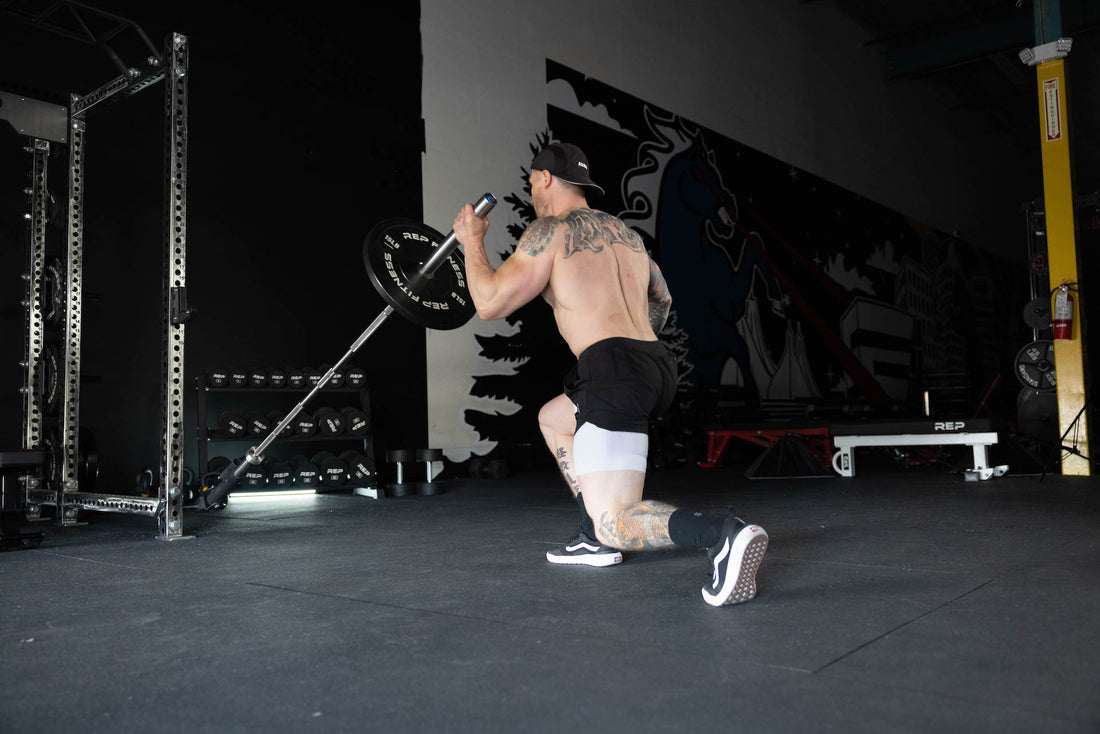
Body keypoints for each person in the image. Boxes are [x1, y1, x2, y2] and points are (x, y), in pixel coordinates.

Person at [453, 142, 767, 606]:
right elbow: (661, 299)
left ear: (543, 179)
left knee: (617, 521)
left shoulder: (550, 231)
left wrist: (472, 241)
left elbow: (489, 302)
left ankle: (720, 535)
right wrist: (630, 339)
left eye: (532, 184)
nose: (532, 191)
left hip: (612, 368)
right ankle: (591, 537)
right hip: (653, 363)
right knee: (555, 418)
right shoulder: (626, 236)